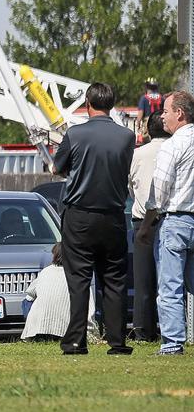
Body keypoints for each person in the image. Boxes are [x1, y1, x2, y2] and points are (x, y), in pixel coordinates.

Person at [52, 82, 134, 356]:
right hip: (113, 215)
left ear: (87, 104)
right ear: (111, 104)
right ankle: (117, 341)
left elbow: (57, 168)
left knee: (79, 280)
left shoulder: (75, 134)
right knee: (114, 279)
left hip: (79, 215)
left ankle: (76, 340)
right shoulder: (126, 136)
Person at [145, 91, 194, 355]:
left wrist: (147, 223)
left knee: (170, 287)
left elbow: (160, 189)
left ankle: (173, 343)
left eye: (165, 110)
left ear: (180, 114)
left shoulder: (172, 146)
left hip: (176, 220)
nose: (162, 115)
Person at [128, 111, 169, 342]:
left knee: (143, 281)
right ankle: (173, 328)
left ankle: (144, 330)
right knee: (170, 280)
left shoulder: (138, 154)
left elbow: (130, 188)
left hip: (141, 220)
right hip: (168, 219)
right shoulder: (176, 150)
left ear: (148, 131)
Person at [21, 243, 94, 340]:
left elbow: (30, 295)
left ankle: (32, 331)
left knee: (27, 301)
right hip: (67, 329)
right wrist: (91, 333)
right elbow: (90, 308)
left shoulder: (46, 271)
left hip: (40, 327)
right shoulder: (79, 275)